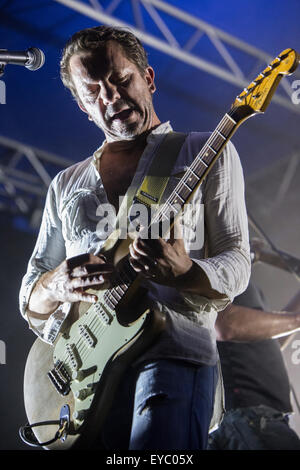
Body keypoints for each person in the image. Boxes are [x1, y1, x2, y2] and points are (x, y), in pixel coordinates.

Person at [19, 25, 250, 450]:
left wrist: (185, 270)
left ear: (148, 77)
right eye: (94, 93)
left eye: (121, 80)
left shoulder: (204, 151)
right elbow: (29, 298)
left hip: (173, 356)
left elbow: (238, 263)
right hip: (82, 374)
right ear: (83, 108)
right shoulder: (65, 185)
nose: (111, 98)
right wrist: (56, 283)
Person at [208, 279, 300, 450]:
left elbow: (264, 340)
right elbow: (225, 324)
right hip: (248, 416)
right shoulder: (223, 264)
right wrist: (296, 320)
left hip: (259, 419)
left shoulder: (245, 279)